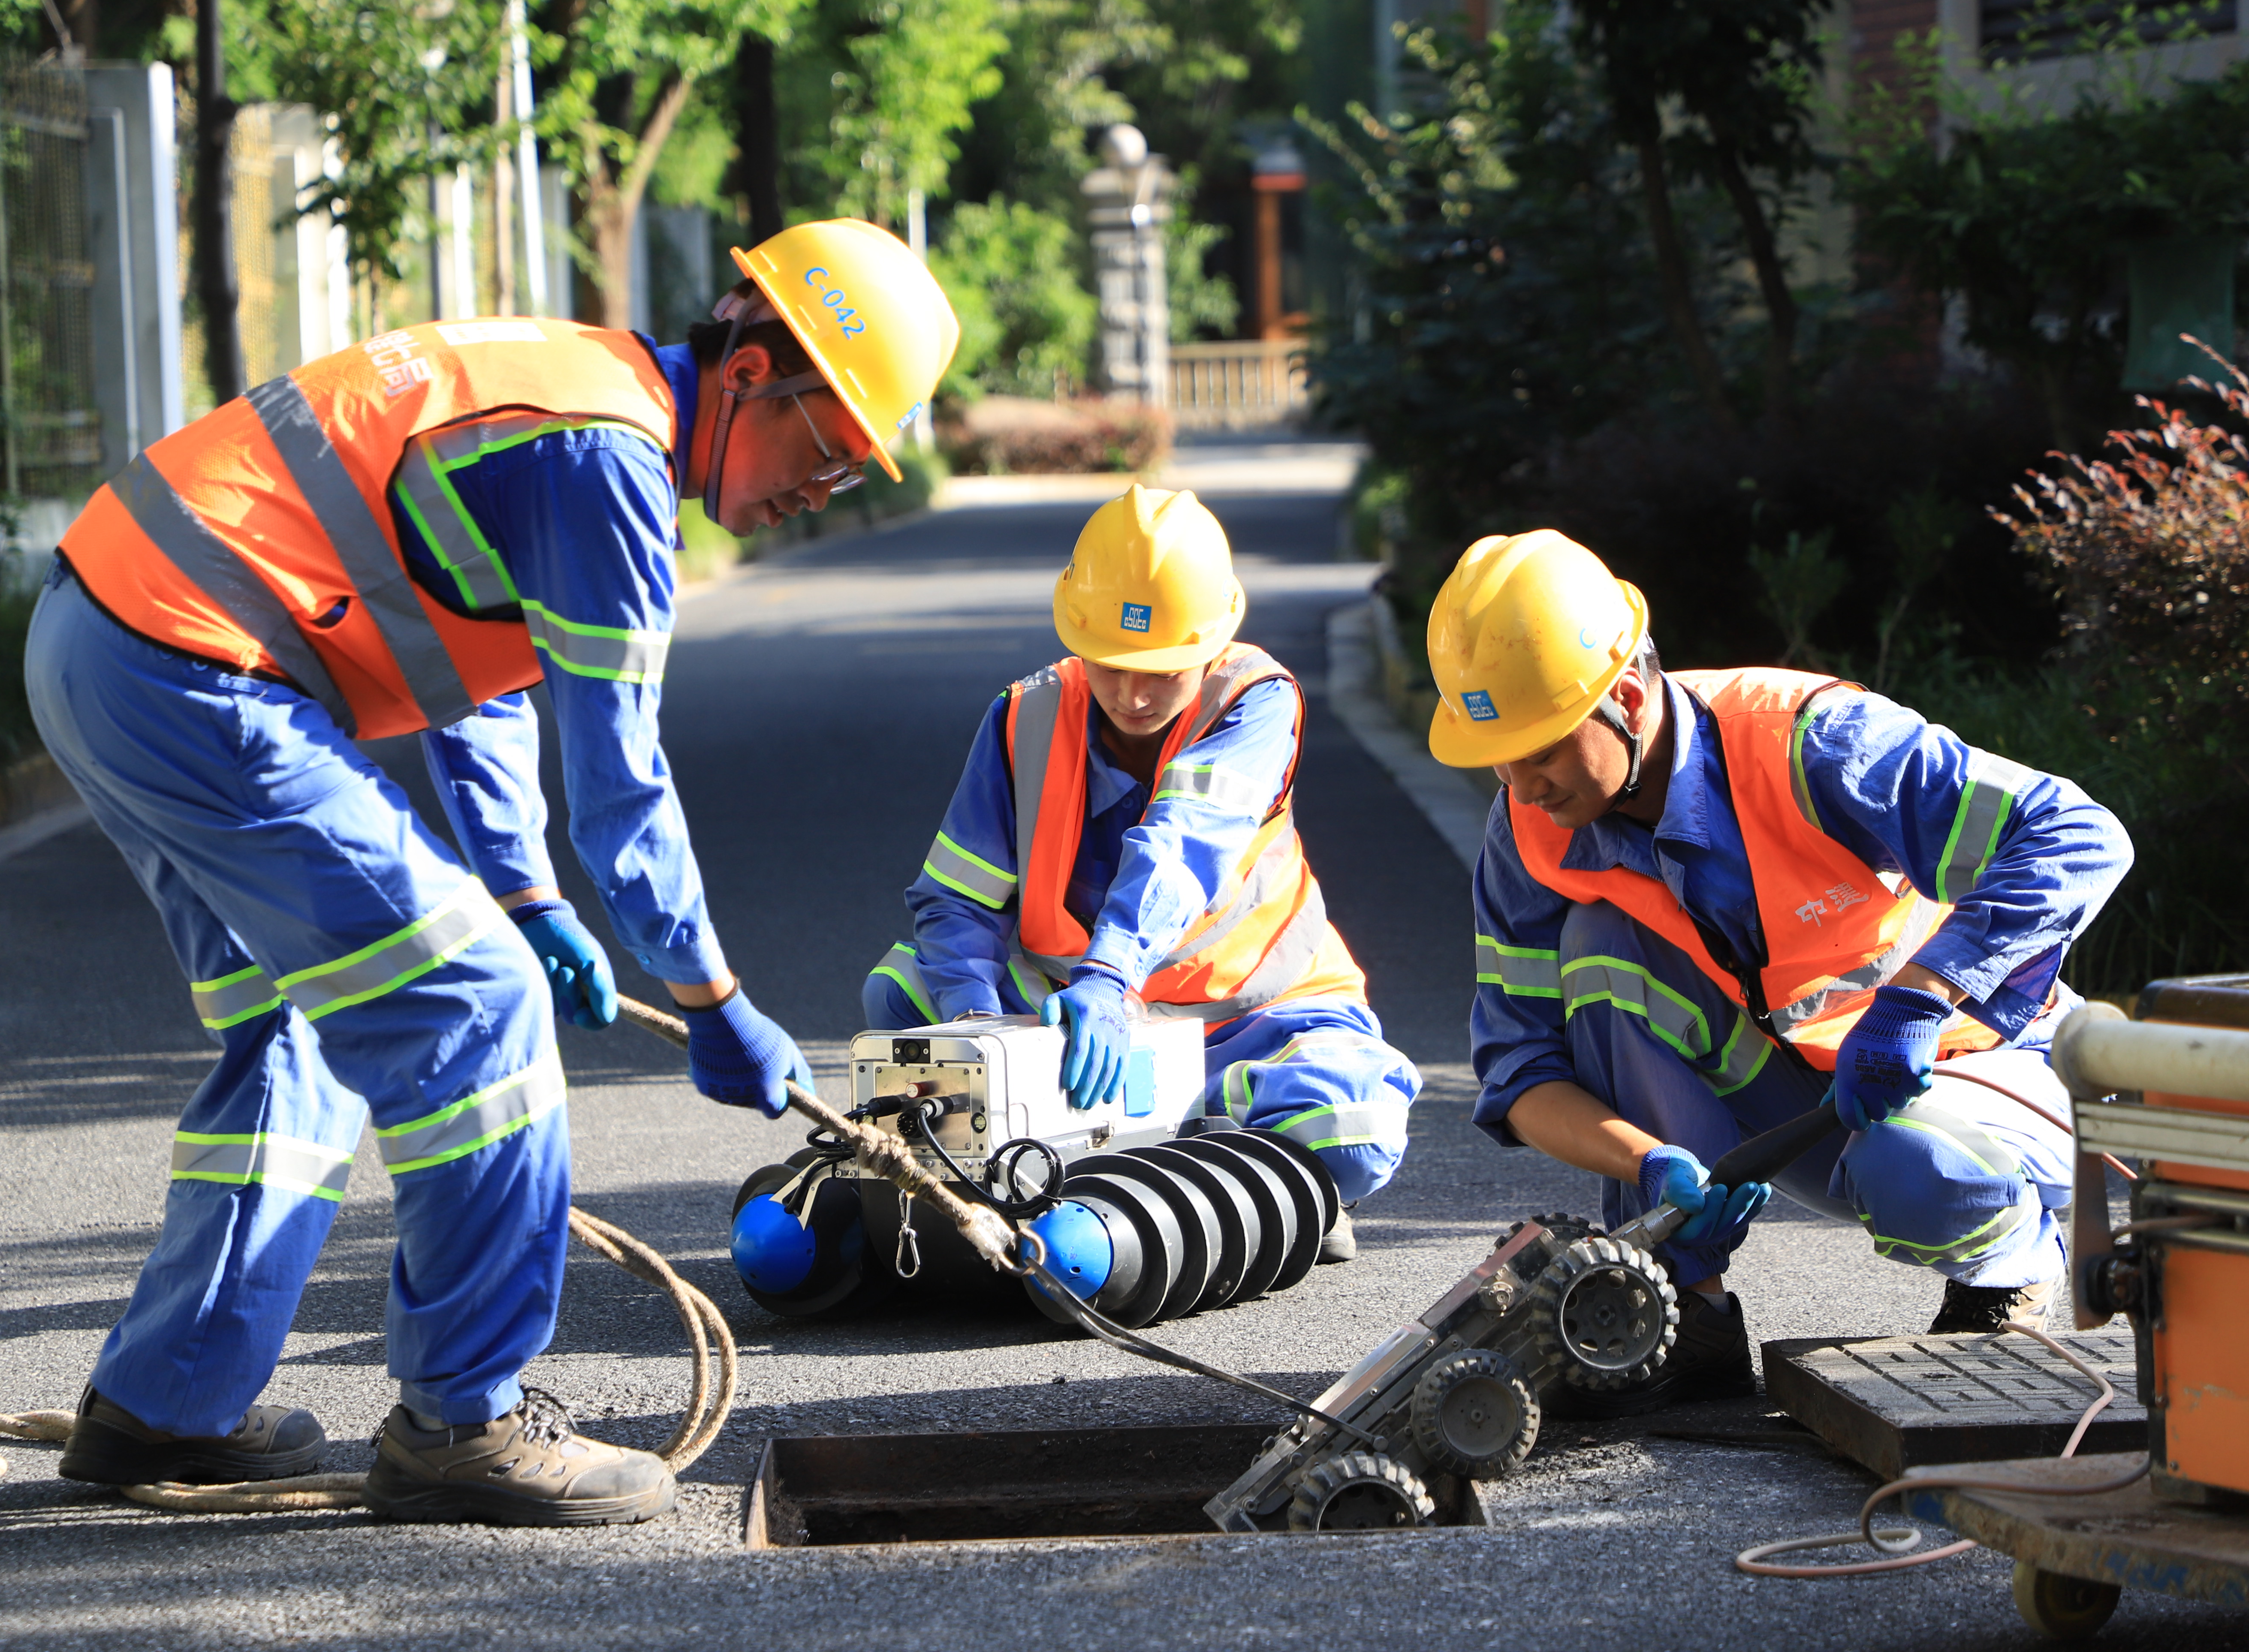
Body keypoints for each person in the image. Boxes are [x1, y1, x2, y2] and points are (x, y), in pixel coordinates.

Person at [24, 220, 959, 1523]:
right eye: (831, 448)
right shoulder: (609, 456)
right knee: (478, 1006)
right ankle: (465, 1422)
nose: (827, 484)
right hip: (195, 665)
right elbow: (623, 786)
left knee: (300, 1026)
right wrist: (712, 998)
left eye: (857, 471)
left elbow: (472, 666)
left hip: (102, 640)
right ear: (751, 371)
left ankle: (166, 1407)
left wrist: (525, 895)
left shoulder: (573, 389)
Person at [1428, 530, 2131, 1415]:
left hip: (1971, 1063)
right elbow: (1521, 1073)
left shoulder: (1812, 743)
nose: (1522, 787)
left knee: (1909, 1167)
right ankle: (1688, 1314)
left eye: (1542, 749)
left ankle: (2009, 1271)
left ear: (1631, 694)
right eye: (1501, 756)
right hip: (1800, 1093)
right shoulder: (1528, 833)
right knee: (1600, 945)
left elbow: (2078, 833)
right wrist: (1649, 1165)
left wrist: (1920, 993)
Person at [862, 485, 1422, 1247]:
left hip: (1247, 1013)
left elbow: (1183, 846)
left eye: (1164, 670)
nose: (1132, 693)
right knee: (901, 996)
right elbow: (956, 899)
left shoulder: (1255, 700)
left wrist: (1111, 975)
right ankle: (1210, 1169)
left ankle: (1183, 1131)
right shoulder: (1025, 715)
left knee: (1350, 1131)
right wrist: (980, 1026)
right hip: (1072, 1019)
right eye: (1113, 664)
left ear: (1211, 644)